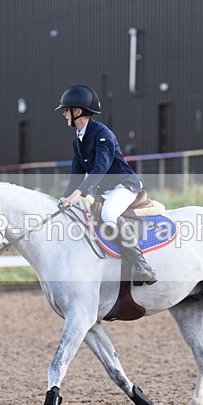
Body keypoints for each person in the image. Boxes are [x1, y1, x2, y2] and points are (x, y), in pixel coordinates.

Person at [56, 84, 157, 285]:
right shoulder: (78, 141)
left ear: (77, 112)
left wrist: (78, 194)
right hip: (105, 190)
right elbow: (76, 175)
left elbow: (100, 168)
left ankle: (141, 265)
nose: (64, 115)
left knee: (108, 214)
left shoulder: (103, 134)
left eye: (66, 111)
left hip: (124, 186)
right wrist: (65, 198)